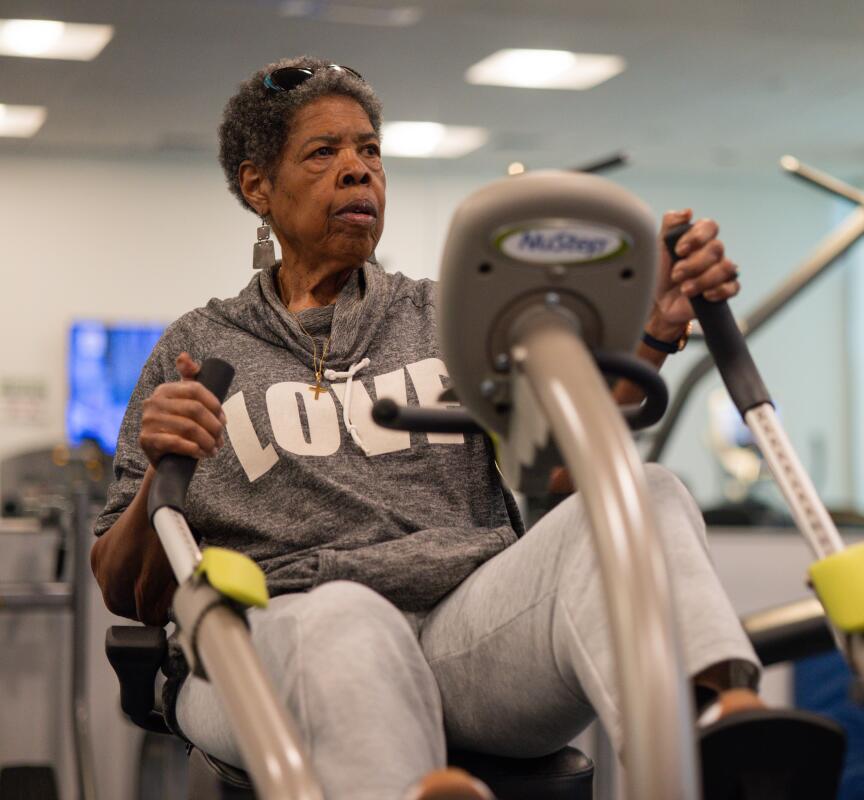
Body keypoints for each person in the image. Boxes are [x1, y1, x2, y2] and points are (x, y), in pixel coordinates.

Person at [91, 56, 761, 799]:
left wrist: (656, 333)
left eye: (369, 151)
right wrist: (163, 465)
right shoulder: (201, 346)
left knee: (644, 494)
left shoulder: (449, 317)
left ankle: (718, 742)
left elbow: (566, 469)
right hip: (275, 648)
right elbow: (125, 589)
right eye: (324, 153)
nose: (357, 171)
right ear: (258, 187)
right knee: (347, 614)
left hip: (465, 639)